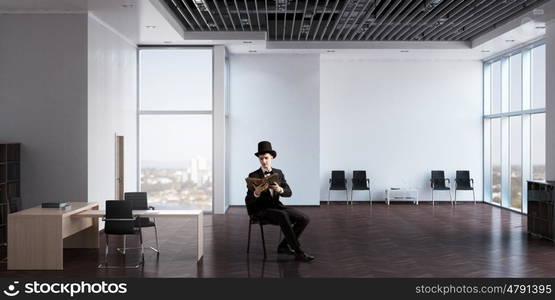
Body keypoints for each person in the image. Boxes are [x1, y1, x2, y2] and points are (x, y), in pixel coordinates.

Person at [245, 141, 315, 262]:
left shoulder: (279, 173)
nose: (264, 161)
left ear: (272, 157)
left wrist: (280, 189)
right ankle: (298, 252)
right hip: (261, 210)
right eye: (261, 159)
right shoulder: (253, 175)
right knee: (283, 215)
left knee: (304, 218)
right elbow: (248, 200)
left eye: (266, 158)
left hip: (277, 208)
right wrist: (256, 192)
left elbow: (289, 192)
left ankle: (283, 246)